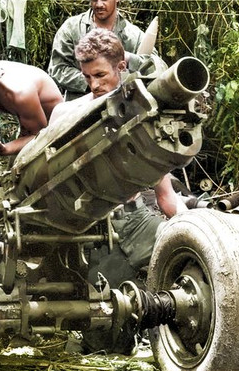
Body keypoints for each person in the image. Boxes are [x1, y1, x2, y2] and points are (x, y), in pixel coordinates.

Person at [47, 29, 185, 300]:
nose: (94, 84)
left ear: (121, 67)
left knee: (187, 266)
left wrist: (194, 232)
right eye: (87, 77)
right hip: (91, 231)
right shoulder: (66, 115)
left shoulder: (139, 118)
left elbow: (166, 196)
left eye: (100, 75)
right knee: (107, 325)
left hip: (135, 219)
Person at [48, 0, 147, 100]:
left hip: (122, 109)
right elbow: (57, 69)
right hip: (79, 105)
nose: (99, 4)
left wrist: (129, 59)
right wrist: (92, 81)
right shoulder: (71, 28)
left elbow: (157, 66)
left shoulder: (133, 35)